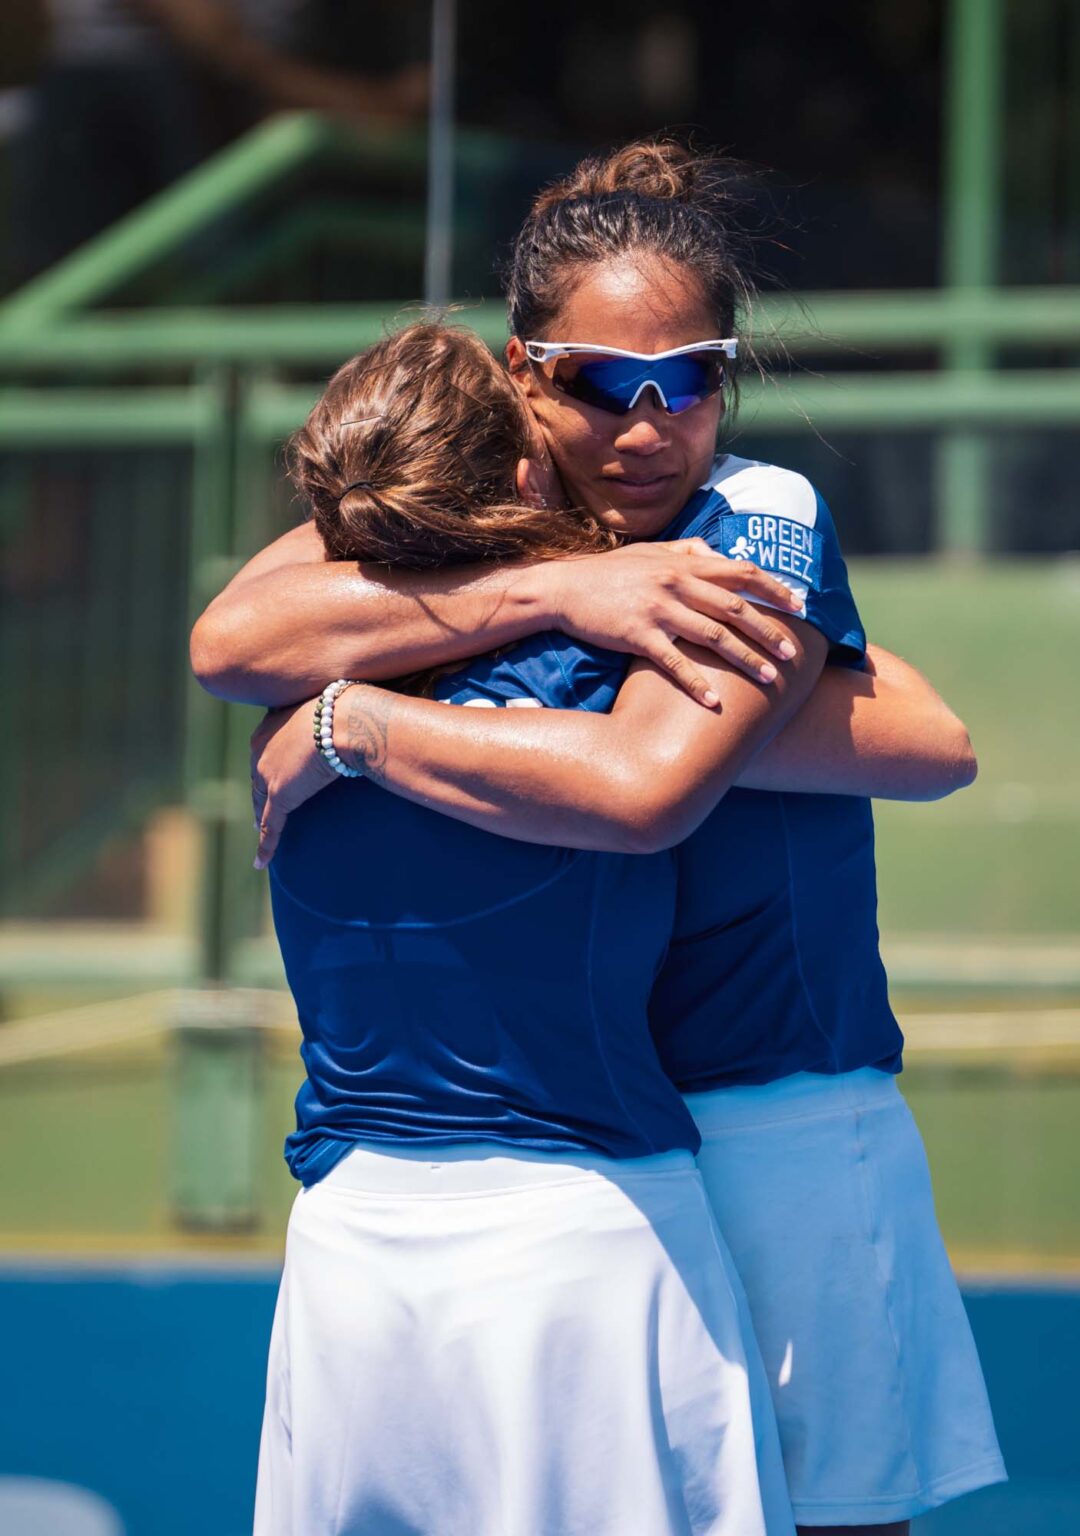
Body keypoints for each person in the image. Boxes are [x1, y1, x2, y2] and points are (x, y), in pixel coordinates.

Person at [198, 140, 1003, 1534]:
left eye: (688, 378)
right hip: (604, 1139)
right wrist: (564, 596)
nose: (647, 425)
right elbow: (233, 638)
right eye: (597, 381)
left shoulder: (755, 508)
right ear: (523, 374)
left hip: (770, 1112)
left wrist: (360, 720)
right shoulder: (486, 521)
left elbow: (850, 750)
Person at [247, 319, 799, 1536]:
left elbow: (228, 634)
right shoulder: (616, 678)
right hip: (583, 1248)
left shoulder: (285, 683)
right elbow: (924, 741)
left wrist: (344, 720)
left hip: (345, 1261)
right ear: (521, 478)